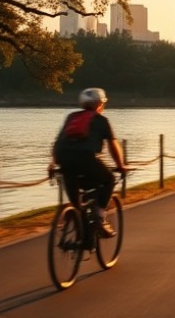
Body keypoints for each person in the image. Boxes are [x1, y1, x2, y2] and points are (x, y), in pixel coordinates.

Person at [51, 87, 129, 237]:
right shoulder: (101, 120)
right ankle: (99, 217)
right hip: (86, 159)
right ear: (100, 104)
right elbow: (113, 146)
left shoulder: (71, 117)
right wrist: (121, 166)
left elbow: (58, 143)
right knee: (109, 179)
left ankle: (78, 226)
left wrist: (53, 163)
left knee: (77, 204)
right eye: (103, 104)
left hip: (63, 159)